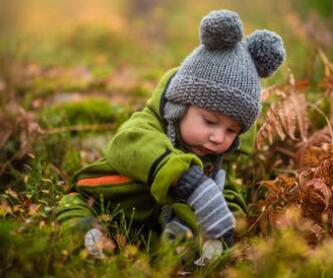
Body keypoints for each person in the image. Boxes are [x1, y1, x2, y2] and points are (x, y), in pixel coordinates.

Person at [55, 9, 285, 261]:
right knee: (76, 214)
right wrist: (187, 179)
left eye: (231, 130)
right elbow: (128, 143)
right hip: (97, 200)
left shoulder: (213, 161)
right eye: (210, 122)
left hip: (145, 230)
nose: (219, 137)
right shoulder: (147, 126)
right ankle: (88, 239)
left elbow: (227, 192)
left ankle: (179, 250)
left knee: (186, 240)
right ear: (179, 107)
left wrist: (225, 224)